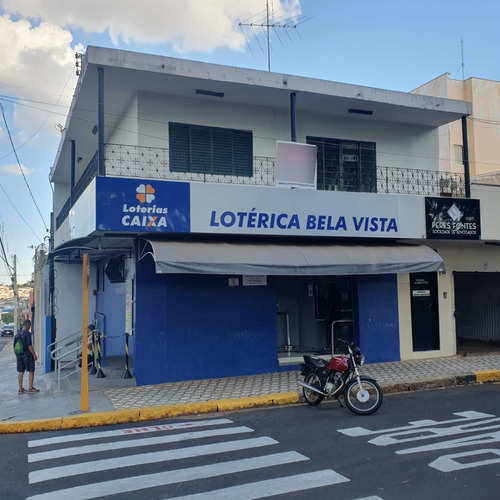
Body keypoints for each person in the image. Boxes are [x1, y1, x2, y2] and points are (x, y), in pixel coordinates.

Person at [15, 319, 39, 394]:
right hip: (28, 355)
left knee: (21, 371)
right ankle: (30, 387)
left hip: (19, 355)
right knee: (31, 370)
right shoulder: (28, 334)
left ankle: (21, 388)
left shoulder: (17, 334)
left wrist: (16, 356)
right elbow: (29, 346)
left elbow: (14, 346)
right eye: (30, 326)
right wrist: (34, 354)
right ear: (28, 325)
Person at [325, 284, 342, 351]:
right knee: (336, 329)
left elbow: (330, 305)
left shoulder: (330, 294)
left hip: (332, 314)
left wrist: (328, 314)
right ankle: (336, 346)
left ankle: (328, 346)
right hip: (338, 313)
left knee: (328, 330)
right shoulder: (339, 294)